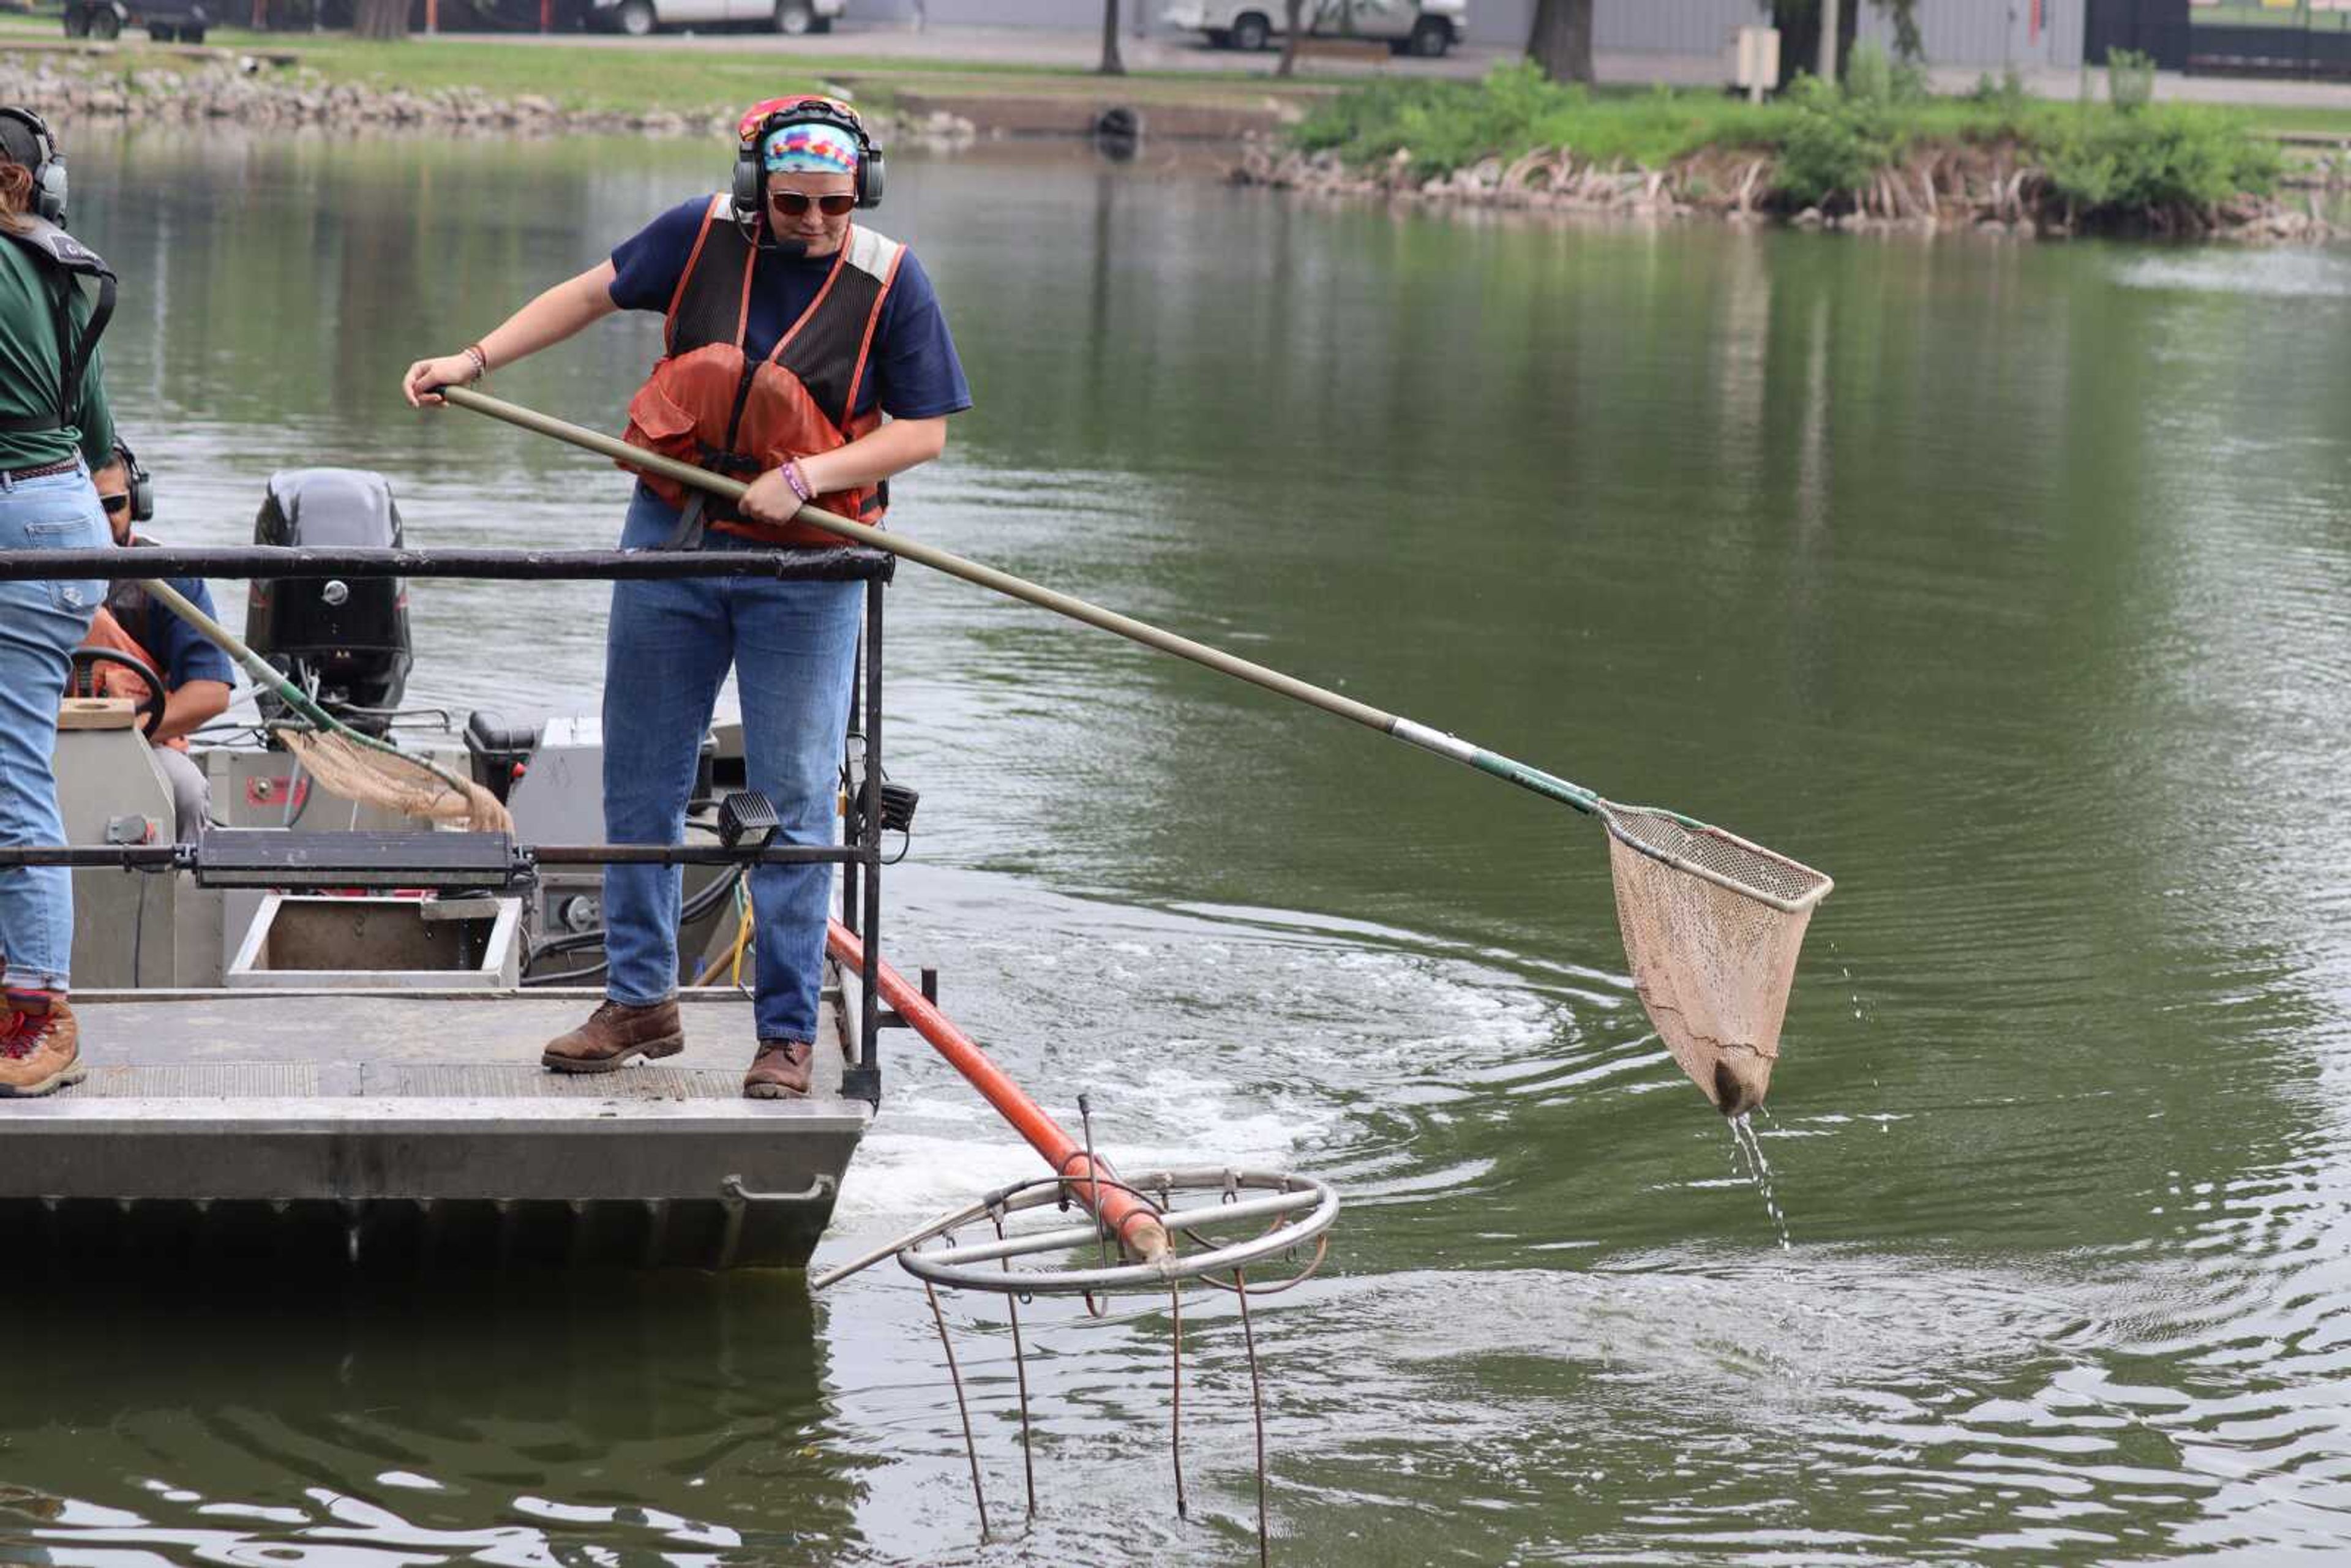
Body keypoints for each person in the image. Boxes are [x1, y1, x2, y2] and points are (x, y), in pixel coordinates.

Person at [402, 96, 970, 1099]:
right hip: (669, 542)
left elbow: (921, 433)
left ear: (861, 192)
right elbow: (585, 296)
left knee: (796, 798)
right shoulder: (697, 234)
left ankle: (787, 1032)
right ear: (758, 189)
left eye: (834, 205)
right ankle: (637, 1000)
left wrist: (812, 478)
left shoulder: (891, 279)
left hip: (809, 567)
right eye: (793, 204)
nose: (813, 224)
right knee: (643, 778)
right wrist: (474, 360)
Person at [0, 105, 114, 1098]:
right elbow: (102, 435)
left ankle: (42, 1013)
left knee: (10, 775)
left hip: (17, 530)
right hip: (61, 511)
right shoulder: (56, 266)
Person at [74, 440, 233, 842]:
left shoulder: (169, 578)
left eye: (112, 506)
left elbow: (210, 692)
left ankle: (178, 897)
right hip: (31, 742)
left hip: (140, 741)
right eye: (87, 508)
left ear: (137, 503)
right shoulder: (16, 569)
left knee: (185, 788)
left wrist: (134, 729)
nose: (100, 521)